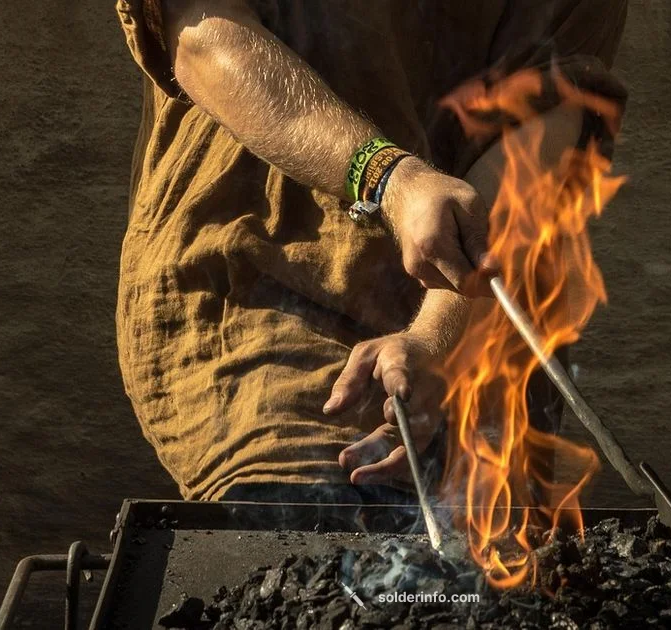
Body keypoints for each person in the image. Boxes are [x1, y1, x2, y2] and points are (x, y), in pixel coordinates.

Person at [113, 0, 629, 503]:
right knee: (301, 546)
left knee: (487, 580)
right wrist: (390, 178)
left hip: (477, 343)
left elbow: (543, 128)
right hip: (263, 296)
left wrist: (435, 340)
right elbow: (204, 34)